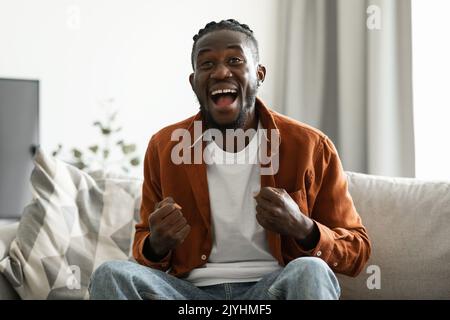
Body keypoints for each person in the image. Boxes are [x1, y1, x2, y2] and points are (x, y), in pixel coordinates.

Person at [89, 19, 371, 300]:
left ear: (259, 74)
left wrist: (303, 228)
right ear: (194, 82)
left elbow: (357, 250)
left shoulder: (311, 146)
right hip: (189, 297)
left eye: (235, 60)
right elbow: (145, 248)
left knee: (311, 271)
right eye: (207, 64)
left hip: (271, 291)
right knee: (110, 273)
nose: (221, 72)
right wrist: (156, 245)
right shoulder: (164, 147)